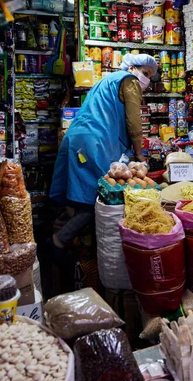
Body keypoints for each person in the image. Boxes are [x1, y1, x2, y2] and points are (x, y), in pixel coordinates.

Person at [49, 53, 158, 250]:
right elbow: (134, 121)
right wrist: (139, 153)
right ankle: (58, 242)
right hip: (92, 142)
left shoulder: (107, 80)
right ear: (132, 67)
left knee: (78, 195)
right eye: (145, 73)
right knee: (98, 197)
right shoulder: (129, 80)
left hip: (79, 138)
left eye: (150, 76)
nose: (147, 79)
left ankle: (73, 244)